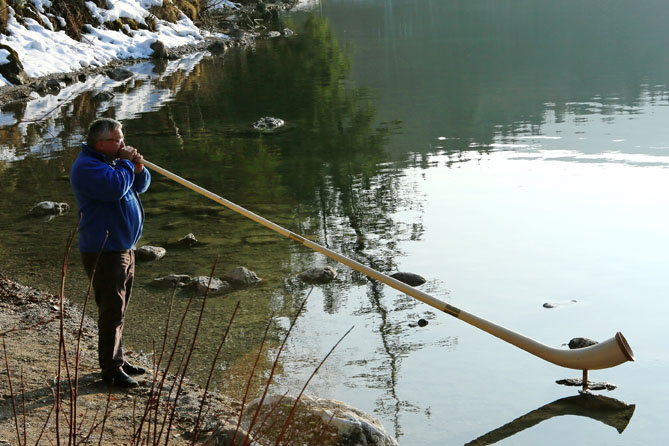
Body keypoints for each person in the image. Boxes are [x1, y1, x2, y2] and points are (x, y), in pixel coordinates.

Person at [70, 118, 151, 388]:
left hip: (124, 247)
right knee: (111, 309)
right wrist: (128, 163)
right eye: (117, 140)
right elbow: (115, 187)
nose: (123, 144)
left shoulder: (111, 162)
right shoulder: (87, 166)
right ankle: (111, 370)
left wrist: (138, 169)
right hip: (104, 250)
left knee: (120, 308)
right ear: (101, 143)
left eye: (122, 138)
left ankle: (118, 358)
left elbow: (137, 186)